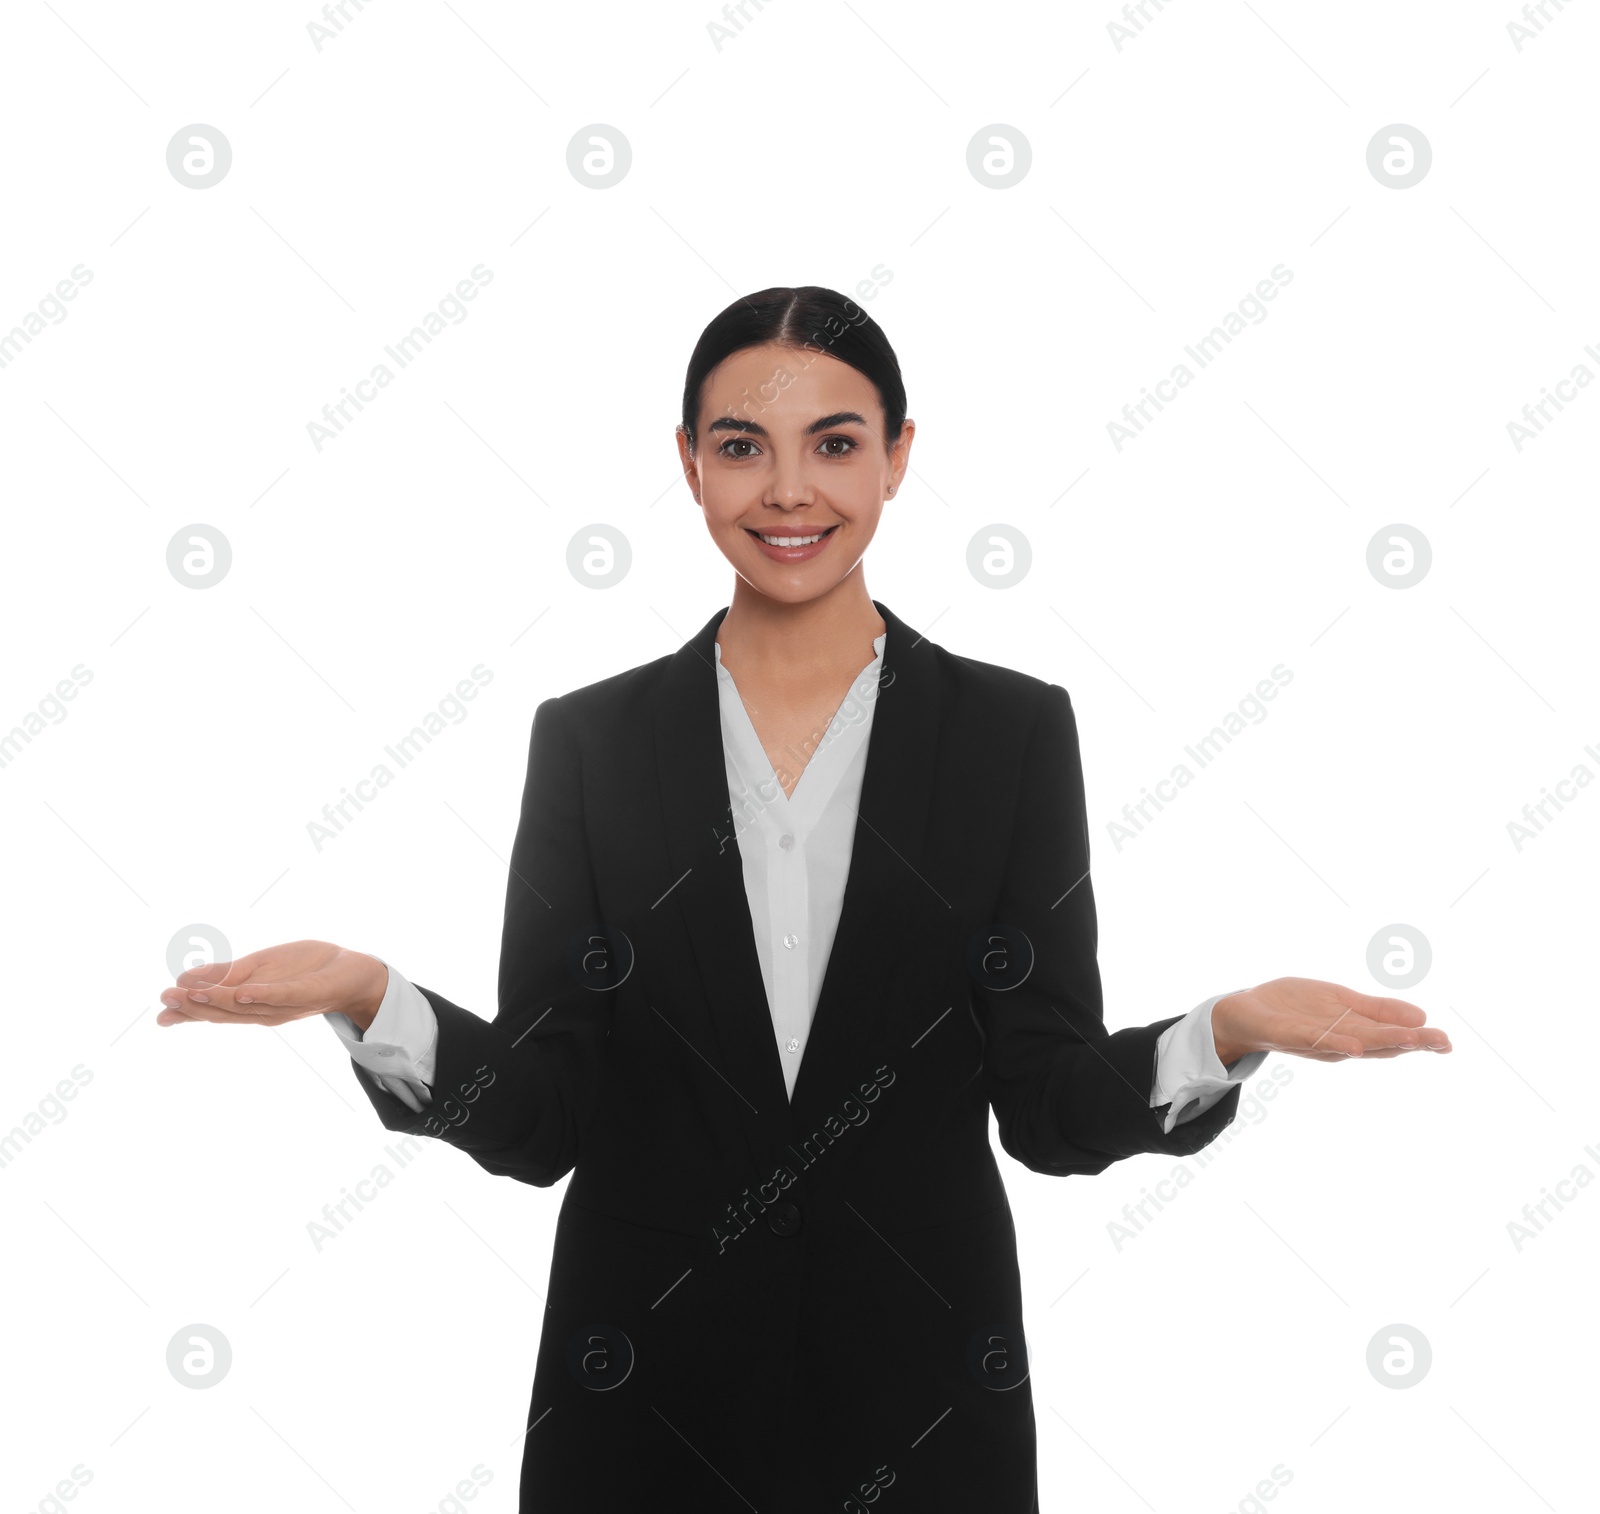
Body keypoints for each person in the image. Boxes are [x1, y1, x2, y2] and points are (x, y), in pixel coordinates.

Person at [157, 286, 1451, 1512]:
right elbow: (545, 1112)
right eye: (742, 445)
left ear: (897, 455)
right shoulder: (592, 742)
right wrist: (368, 994)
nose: (787, 489)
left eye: (833, 442)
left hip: (924, 1406)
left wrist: (1225, 1028)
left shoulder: (1011, 734)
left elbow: (1049, 1103)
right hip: (641, 1407)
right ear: (688, 464)